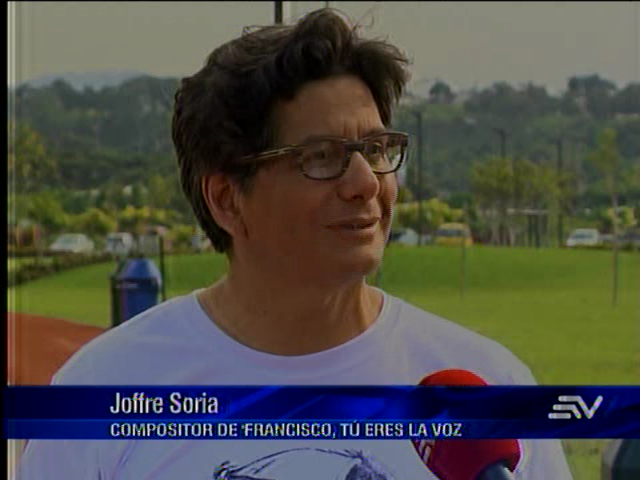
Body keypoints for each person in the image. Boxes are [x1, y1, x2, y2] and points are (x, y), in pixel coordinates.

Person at [17, 8, 573, 480]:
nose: (365, 183)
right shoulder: (102, 393)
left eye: (377, 149)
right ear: (227, 199)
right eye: (322, 158)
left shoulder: (488, 390)